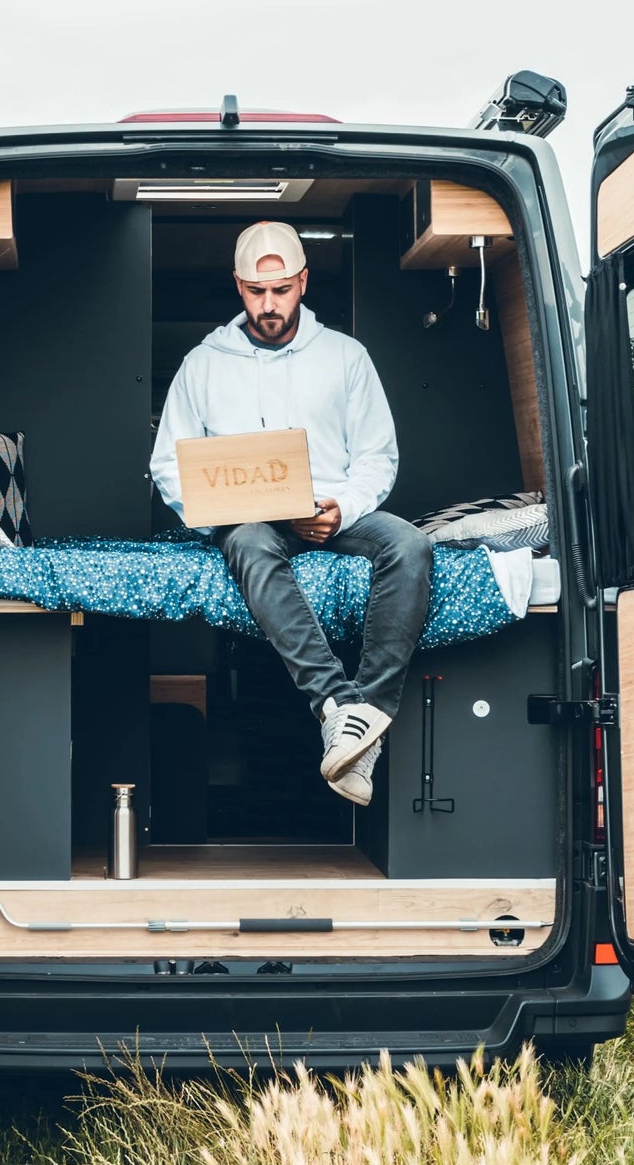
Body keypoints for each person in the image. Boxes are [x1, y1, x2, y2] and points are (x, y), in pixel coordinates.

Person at [149, 220, 432, 805]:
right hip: (250, 519)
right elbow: (168, 464)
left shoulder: (346, 357)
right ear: (238, 286)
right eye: (256, 291)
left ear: (303, 282)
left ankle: (369, 718)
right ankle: (334, 705)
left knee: (410, 545)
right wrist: (227, 511)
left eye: (281, 290)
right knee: (250, 543)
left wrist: (343, 507)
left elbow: (378, 456)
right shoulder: (203, 364)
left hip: (334, 510)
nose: (269, 304)